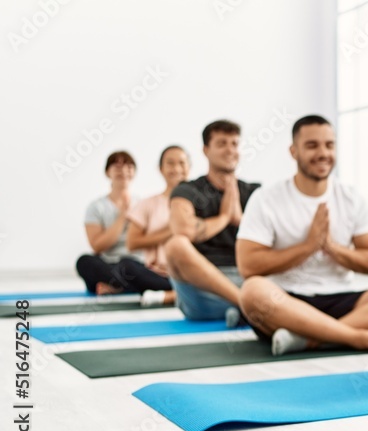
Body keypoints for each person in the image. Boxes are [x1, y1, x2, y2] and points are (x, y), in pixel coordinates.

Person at [236, 115, 368, 355]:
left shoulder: (350, 197)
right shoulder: (266, 199)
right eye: (312, 145)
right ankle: (359, 338)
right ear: (294, 151)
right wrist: (308, 246)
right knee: (252, 291)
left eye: (329, 145)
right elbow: (248, 266)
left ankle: (310, 340)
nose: (323, 153)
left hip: (343, 298)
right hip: (287, 300)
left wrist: (332, 248)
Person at [163, 120, 260, 323]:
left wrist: (239, 219)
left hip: (249, 280)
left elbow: (272, 238)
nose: (230, 150)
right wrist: (224, 218)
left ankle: (240, 311)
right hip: (203, 290)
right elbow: (184, 231)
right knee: (175, 245)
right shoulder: (187, 190)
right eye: (222, 143)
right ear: (206, 150)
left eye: (234, 144)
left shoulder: (254, 191)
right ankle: (247, 306)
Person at [76, 151, 174, 297]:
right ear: (107, 172)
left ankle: (118, 287)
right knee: (84, 262)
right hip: (108, 264)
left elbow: (151, 240)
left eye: (128, 166)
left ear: (134, 172)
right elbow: (97, 246)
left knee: (128, 266)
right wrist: (122, 217)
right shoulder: (96, 207)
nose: (123, 170)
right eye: (117, 166)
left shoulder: (143, 203)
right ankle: (129, 287)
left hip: (137, 265)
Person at [125, 145, 191, 307]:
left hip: (192, 271)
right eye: (170, 163)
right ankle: (184, 293)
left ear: (189, 167)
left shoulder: (200, 202)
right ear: (160, 169)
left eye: (182, 163)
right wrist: (173, 228)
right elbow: (132, 243)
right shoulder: (147, 204)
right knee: (126, 267)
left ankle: (170, 296)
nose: (176, 168)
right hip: (158, 274)